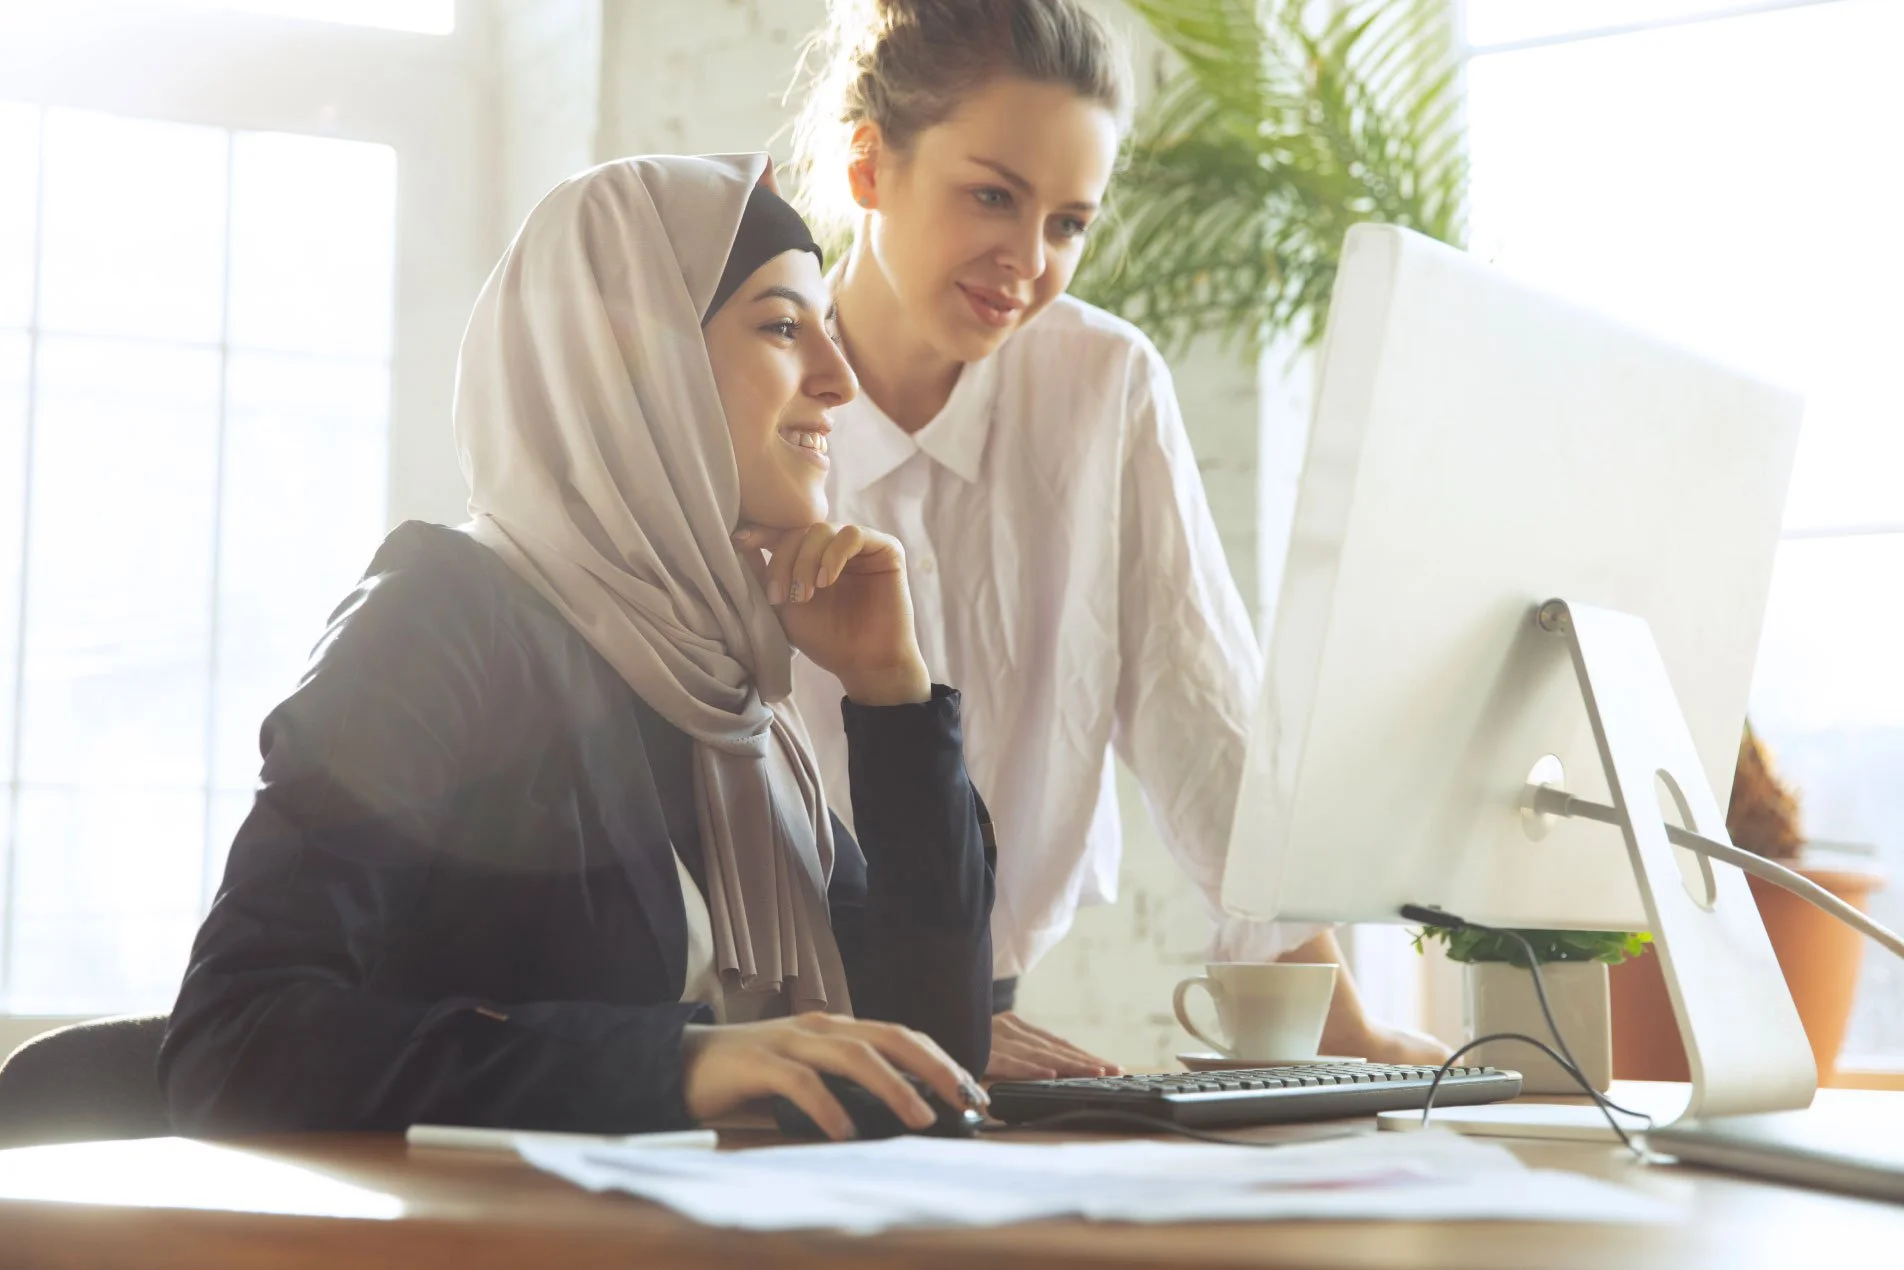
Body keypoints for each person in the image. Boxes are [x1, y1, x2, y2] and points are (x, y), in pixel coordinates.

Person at [158, 153, 994, 1142]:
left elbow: (928, 1061)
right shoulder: (443, 616)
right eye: (781, 326)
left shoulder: (731, 695)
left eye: (828, 330)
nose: (840, 380)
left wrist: (891, 695)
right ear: (636, 365)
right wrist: (675, 1064)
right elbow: (235, 1043)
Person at [786, 0, 1448, 1078]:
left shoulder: (1103, 386)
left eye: (1068, 224)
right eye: (993, 195)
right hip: (775, 1028)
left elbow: (1206, 719)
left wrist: (1343, 1032)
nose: (1027, 260)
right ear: (868, 166)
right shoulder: (749, 393)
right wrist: (913, 1012)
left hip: (987, 1023)